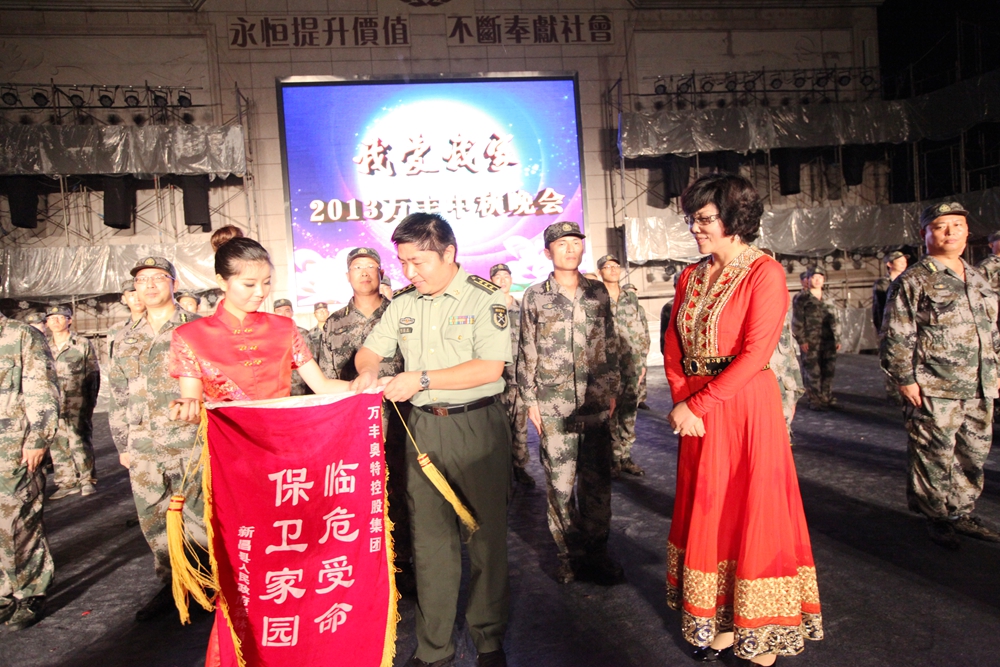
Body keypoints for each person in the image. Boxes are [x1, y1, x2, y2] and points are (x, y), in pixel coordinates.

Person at [169, 236, 351, 666]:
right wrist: (187, 407)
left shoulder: (284, 330)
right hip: (234, 467)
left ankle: (299, 648)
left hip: (287, 463)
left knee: (295, 559)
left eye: (266, 283)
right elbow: (191, 399)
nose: (260, 293)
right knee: (246, 565)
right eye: (248, 284)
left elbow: (323, 386)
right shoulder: (190, 336)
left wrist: (368, 387)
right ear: (221, 281)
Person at [664, 173, 823, 666]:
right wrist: (683, 400)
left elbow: (756, 354)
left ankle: (761, 631)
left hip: (745, 407)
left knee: (750, 512)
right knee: (712, 512)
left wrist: (698, 404)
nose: (695, 228)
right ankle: (725, 623)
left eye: (705, 219)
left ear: (735, 218)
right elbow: (673, 345)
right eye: (692, 219)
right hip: (697, 410)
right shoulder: (689, 276)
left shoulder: (764, 273)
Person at [350, 213, 512, 667]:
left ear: (448, 253)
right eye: (402, 263)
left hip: (477, 427)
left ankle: (488, 640)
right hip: (421, 430)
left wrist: (420, 378)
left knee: (485, 538)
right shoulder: (403, 302)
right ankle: (434, 648)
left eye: (418, 262)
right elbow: (370, 349)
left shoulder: (485, 298)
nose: (409, 272)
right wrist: (368, 371)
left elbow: (490, 367)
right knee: (429, 541)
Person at [880, 201, 1000, 550]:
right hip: (934, 385)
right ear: (925, 233)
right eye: (940, 226)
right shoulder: (914, 281)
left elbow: (990, 330)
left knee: (973, 454)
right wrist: (905, 379)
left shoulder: (977, 278)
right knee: (933, 454)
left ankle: (961, 512)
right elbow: (896, 335)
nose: (950, 232)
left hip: (978, 385)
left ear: (967, 231)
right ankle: (936, 516)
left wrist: (995, 371)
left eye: (957, 225)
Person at [518, 222, 622, 586]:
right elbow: (527, 348)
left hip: (595, 400)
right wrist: (530, 400)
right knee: (560, 486)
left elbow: (610, 341)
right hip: (555, 404)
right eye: (561, 244)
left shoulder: (597, 291)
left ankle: (598, 554)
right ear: (548, 251)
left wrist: (612, 389)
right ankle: (569, 556)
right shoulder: (535, 296)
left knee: (597, 483)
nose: (570, 249)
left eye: (575, 242)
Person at [108, 256, 207, 622]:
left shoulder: (197, 328)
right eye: (141, 280)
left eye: (157, 278)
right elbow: (118, 394)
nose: (148, 285)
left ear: (173, 283)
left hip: (191, 439)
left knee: (199, 516)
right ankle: (172, 587)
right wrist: (123, 445)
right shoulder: (124, 337)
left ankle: (206, 584)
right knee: (153, 518)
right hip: (144, 444)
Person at [317, 246, 415, 593]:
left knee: (401, 491)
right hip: (354, 428)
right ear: (347, 275)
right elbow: (326, 377)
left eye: (371, 266)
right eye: (357, 267)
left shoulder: (400, 313)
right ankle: (364, 566)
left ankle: (402, 562)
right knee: (356, 496)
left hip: (401, 421)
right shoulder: (334, 323)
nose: (364, 272)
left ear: (381, 273)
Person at [0, 312, 59, 631]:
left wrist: (38, 439)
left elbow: (43, 390)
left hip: (13, 450)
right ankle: (3, 593)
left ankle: (30, 591)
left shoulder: (22, 335)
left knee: (19, 523)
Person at [597, 254, 649, 478]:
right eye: (607, 266)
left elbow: (642, 330)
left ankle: (625, 456)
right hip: (607, 367)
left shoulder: (631, 298)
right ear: (600, 272)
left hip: (631, 365)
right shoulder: (596, 300)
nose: (613, 269)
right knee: (609, 412)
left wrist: (643, 361)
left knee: (629, 411)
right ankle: (612, 458)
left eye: (616, 266)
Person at [44, 305, 100, 499]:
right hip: (53, 403)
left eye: (60, 317)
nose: (55, 321)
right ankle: (67, 482)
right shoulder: (43, 346)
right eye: (51, 318)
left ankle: (87, 480)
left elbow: (93, 373)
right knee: (57, 442)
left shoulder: (81, 343)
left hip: (77, 401)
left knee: (79, 440)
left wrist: (90, 402)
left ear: (69, 320)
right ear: (47, 322)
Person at [490, 262, 534, 488]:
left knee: (520, 425)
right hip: (495, 380)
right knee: (497, 426)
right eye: (497, 277)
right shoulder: (486, 310)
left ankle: (519, 466)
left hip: (519, 378)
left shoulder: (522, 309)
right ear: (491, 281)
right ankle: (501, 469)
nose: (502, 280)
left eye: (506, 276)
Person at [792, 266, 841, 410]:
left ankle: (826, 397)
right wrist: (801, 340)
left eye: (820, 277)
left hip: (828, 340)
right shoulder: (802, 298)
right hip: (811, 341)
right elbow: (797, 320)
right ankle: (815, 399)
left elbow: (836, 319)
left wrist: (837, 338)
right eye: (814, 277)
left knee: (828, 369)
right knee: (812, 371)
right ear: (808, 279)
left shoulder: (829, 298)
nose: (818, 280)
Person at [273, 297, 312, 395]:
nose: (283, 314)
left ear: (292, 313)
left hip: (299, 385)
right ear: (274, 313)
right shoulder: (268, 335)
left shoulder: (302, 333)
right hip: (276, 386)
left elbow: (312, 359)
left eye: (287, 311)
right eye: (279, 311)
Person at [108, 279, 145, 359]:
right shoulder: (116, 330)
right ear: (124, 299)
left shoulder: (159, 325)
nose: (137, 299)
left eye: (140, 294)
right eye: (131, 295)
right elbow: (112, 361)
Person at [872, 251, 908, 333]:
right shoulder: (883, 283)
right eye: (900, 262)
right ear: (889, 264)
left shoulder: (907, 281)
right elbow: (879, 307)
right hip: (891, 326)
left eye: (905, 261)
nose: (903, 264)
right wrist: (882, 328)